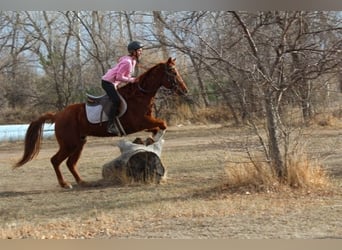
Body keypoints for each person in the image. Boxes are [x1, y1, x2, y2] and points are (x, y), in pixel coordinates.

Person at [101, 41, 144, 134]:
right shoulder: (127, 62)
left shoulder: (133, 61)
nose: (141, 52)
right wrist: (132, 80)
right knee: (116, 101)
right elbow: (119, 77)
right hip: (107, 83)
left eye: (141, 50)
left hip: (113, 83)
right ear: (133, 52)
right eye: (140, 50)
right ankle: (110, 125)